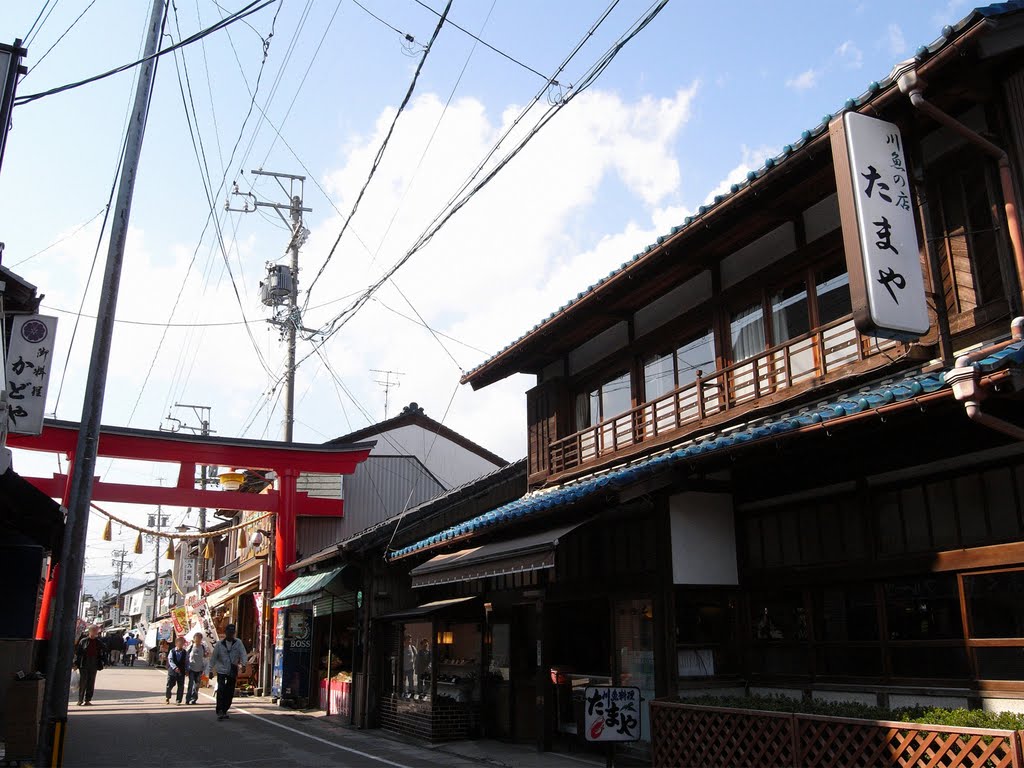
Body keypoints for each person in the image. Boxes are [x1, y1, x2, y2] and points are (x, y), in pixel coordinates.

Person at [210, 623, 247, 721]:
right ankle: (220, 710)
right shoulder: (219, 644)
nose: (231, 634)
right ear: (225, 633)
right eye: (229, 632)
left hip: (232, 669)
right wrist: (210, 670)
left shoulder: (238, 643)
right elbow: (213, 657)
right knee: (221, 690)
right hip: (221, 670)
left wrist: (244, 664)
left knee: (230, 691)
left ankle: (225, 709)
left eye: (232, 632)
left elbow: (243, 653)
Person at [73, 625, 106, 706]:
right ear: (90, 631)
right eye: (94, 631)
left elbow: (103, 652)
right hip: (84, 663)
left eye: (97, 631)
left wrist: (105, 661)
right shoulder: (83, 641)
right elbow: (78, 653)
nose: (96, 633)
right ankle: (80, 700)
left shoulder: (99, 642)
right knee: (83, 682)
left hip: (94, 663)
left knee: (91, 682)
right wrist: (75, 664)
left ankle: (87, 700)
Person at [165, 636, 189, 705]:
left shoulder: (185, 652)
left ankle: (178, 700)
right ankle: (168, 697)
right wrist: (175, 668)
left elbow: (187, 662)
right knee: (169, 685)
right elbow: (170, 660)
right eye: (180, 643)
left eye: (182, 643)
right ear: (176, 644)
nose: (181, 644)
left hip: (181, 671)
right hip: (172, 671)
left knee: (181, 686)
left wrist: (187, 670)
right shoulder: (172, 651)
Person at [186, 632, 208, 705]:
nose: (198, 639)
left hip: (199, 669)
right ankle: (187, 699)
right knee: (190, 684)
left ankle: (194, 699)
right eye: (196, 638)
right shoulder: (191, 647)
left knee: (197, 685)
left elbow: (205, 656)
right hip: (191, 668)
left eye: (199, 638)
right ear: (194, 639)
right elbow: (186, 656)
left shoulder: (203, 647)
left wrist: (206, 655)